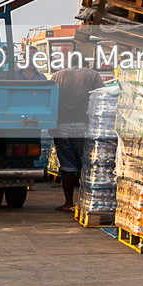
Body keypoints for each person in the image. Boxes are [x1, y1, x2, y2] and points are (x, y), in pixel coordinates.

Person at [49, 60, 105, 211]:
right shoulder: (92, 75)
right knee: (85, 166)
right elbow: (102, 98)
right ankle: (84, 202)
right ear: (86, 65)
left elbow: (49, 98)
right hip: (83, 127)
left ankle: (68, 203)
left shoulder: (57, 75)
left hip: (62, 126)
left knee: (67, 166)